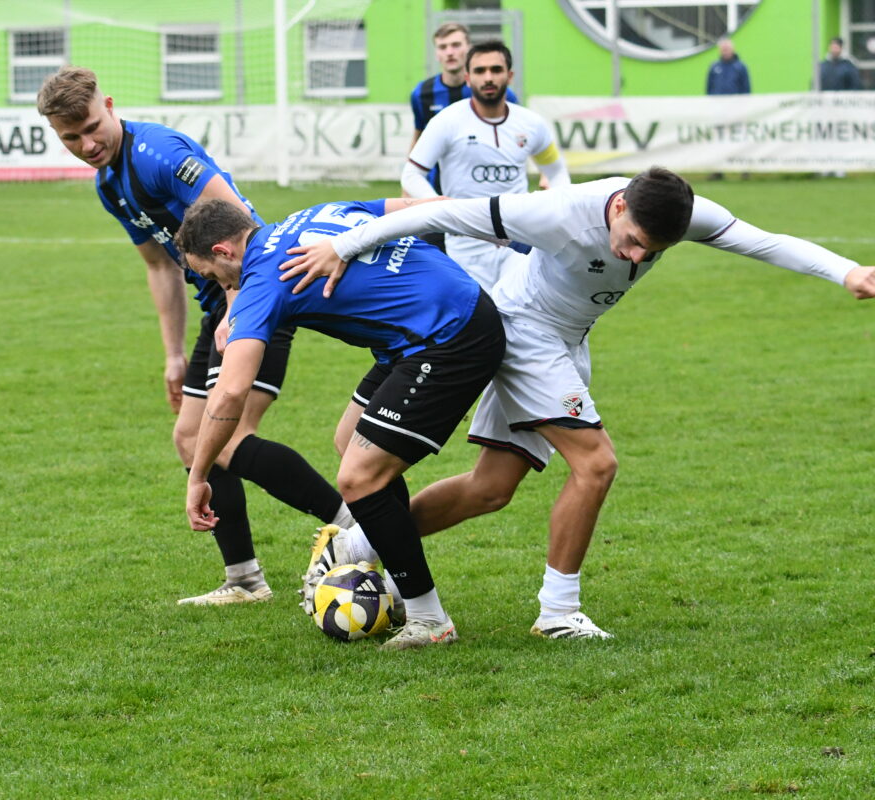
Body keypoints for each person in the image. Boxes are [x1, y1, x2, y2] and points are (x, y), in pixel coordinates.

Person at [281, 167, 875, 639]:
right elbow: (444, 210)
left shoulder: (678, 214)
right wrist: (344, 245)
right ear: (617, 208)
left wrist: (846, 271)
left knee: (491, 489)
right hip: (522, 330)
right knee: (596, 465)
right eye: (634, 243)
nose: (638, 258)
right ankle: (558, 613)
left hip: (566, 340)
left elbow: (761, 242)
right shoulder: (558, 212)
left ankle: (351, 545)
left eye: (655, 251)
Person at [36, 67, 354, 606]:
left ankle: (357, 528)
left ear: (109, 105)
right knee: (191, 438)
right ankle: (245, 580)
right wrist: (173, 354)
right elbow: (161, 268)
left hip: (257, 293)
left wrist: (237, 309)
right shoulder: (109, 184)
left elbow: (241, 224)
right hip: (218, 304)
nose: (86, 144)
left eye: (91, 127)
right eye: (70, 138)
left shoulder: (159, 154)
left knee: (227, 438)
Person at [175, 197, 505, 650]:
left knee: (358, 477)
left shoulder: (261, 279)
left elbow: (231, 391)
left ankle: (430, 620)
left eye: (214, 277)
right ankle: (399, 585)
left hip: (449, 337)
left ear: (224, 251)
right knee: (348, 438)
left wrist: (198, 474)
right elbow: (410, 206)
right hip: (428, 324)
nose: (220, 287)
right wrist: (497, 220)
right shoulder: (309, 214)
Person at [403, 38, 569, 289]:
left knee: (520, 315)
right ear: (468, 78)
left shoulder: (531, 124)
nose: (488, 77)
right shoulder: (446, 121)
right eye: (480, 71)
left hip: (517, 242)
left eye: (496, 70)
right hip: (466, 246)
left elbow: (556, 172)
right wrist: (442, 208)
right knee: (481, 322)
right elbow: (411, 174)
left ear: (510, 76)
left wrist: (553, 208)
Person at [409, 23, 520, 251]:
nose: (450, 51)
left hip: (485, 197)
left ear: (468, 48)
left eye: (456, 45)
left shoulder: (498, 91)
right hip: (436, 196)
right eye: (443, 46)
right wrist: (409, 188)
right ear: (437, 53)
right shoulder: (422, 94)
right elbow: (418, 138)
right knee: (438, 265)